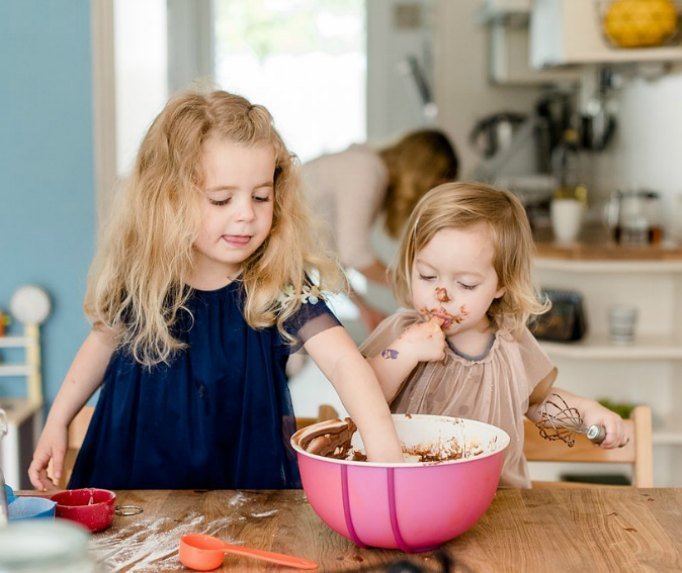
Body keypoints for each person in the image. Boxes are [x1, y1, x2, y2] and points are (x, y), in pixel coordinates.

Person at [28, 89, 403, 492]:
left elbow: (345, 363)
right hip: (133, 488)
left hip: (241, 494)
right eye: (222, 199)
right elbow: (101, 346)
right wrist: (56, 422)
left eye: (261, 196)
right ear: (169, 199)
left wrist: (387, 454)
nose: (246, 214)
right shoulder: (144, 280)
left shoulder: (277, 284)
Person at [360, 182, 628, 488]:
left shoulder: (513, 344)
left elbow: (537, 403)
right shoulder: (400, 334)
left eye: (467, 284)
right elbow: (364, 396)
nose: (441, 294)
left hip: (499, 503)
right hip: (413, 496)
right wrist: (404, 352)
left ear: (502, 284)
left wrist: (586, 412)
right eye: (427, 276)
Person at [301, 129, 459, 332]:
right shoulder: (366, 169)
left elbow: (329, 259)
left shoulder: (366, 168)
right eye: (433, 185)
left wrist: (364, 308)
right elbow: (355, 254)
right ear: (422, 171)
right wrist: (411, 287)